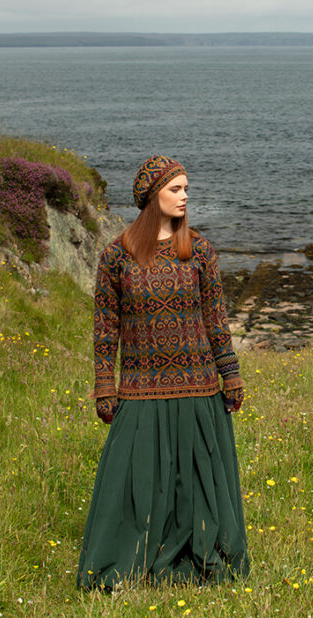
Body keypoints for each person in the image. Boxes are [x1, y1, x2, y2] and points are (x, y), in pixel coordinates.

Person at [77, 155, 249, 588]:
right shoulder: (116, 257)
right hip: (138, 390)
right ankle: (126, 560)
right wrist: (104, 386)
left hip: (199, 388)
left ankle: (200, 555)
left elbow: (216, 321)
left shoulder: (201, 251)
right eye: (176, 189)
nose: (185, 196)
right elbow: (105, 330)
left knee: (199, 484)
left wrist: (231, 374)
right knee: (132, 484)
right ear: (152, 196)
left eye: (186, 188)